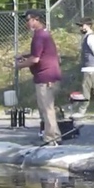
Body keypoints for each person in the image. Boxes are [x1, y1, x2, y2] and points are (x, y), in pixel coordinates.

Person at [16, 9, 61, 146]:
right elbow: (38, 53)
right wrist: (24, 56)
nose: (26, 23)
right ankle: (54, 136)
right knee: (47, 108)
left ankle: (51, 139)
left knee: (46, 108)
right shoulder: (43, 34)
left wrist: (19, 65)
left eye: (28, 20)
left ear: (36, 20)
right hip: (49, 76)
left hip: (45, 78)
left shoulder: (39, 36)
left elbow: (35, 59)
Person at [71, 17, 94, 119]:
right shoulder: (87, 37)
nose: (80, 28)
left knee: (85, 88)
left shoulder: (91, 37)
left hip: (90, 68)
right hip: (89, 68)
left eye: (82, 26)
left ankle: (82, 110)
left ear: (88, 26)